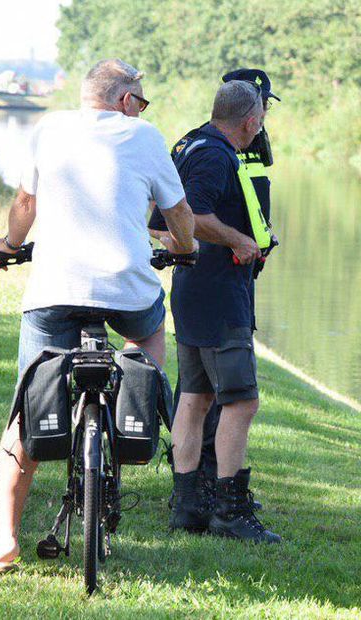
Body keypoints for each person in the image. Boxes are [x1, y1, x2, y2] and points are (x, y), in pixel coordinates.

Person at [0, 59, 197, 572]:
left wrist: (10, 245)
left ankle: (3, 544)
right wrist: (185, 249)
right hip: (128, 292)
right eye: (139, 101)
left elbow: (27, 203)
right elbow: (179, 213)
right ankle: (131, 400)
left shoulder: (50, 128)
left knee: (23, 412)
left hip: (55, 289)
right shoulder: (144, 137)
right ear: (125, 101)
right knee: (147, 337)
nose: (141, 110)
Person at [150, 80, 280, 543]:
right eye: (261, 118)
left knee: (196, 398)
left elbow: (158, 216)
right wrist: (240, 240)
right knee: (241, 400)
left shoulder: (191, 142)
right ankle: (229, 509)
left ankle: (189, 506)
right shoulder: (214, 154)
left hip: (194, 291)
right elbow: (192, 214)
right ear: (252, 121)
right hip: (218, 296)